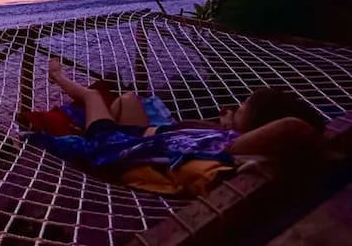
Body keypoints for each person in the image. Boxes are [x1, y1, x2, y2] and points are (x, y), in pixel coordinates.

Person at [46, 58, 324, 163]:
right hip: (140, 132)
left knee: (93, 94)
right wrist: (227, 125)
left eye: (242, 107)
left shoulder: (232, 146)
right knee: (127, 99)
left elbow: (295, 127)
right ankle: (99, 120)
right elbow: (187, 128)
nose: (234, 107)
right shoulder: (223, 137)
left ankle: (57, 77)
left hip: (117, 143)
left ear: (257, 126)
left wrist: (231, 129)